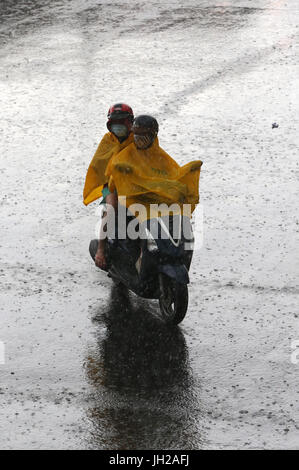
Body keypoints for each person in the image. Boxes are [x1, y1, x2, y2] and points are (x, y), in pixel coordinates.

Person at [93, 115, 202, 270]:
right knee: (111, 210)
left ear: (153, 136)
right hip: (130, 200)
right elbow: (111, 177)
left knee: (181, 226)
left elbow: (173, 177)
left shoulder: (161, 157)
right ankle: (101, 251)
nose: (139, 140)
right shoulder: (123, 155)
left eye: (144, 137)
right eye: (137, 136)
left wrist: (183, 186)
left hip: (153, 203)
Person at [83, 103, 134, 269]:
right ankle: (101, 249)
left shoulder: (138, 139)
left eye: (122, 121)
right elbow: (99, 166)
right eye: (115, 122)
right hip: (112, 185)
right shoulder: (107, 141)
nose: (118, 126)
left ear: (130, 123)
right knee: (111, 208)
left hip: (136, 185)